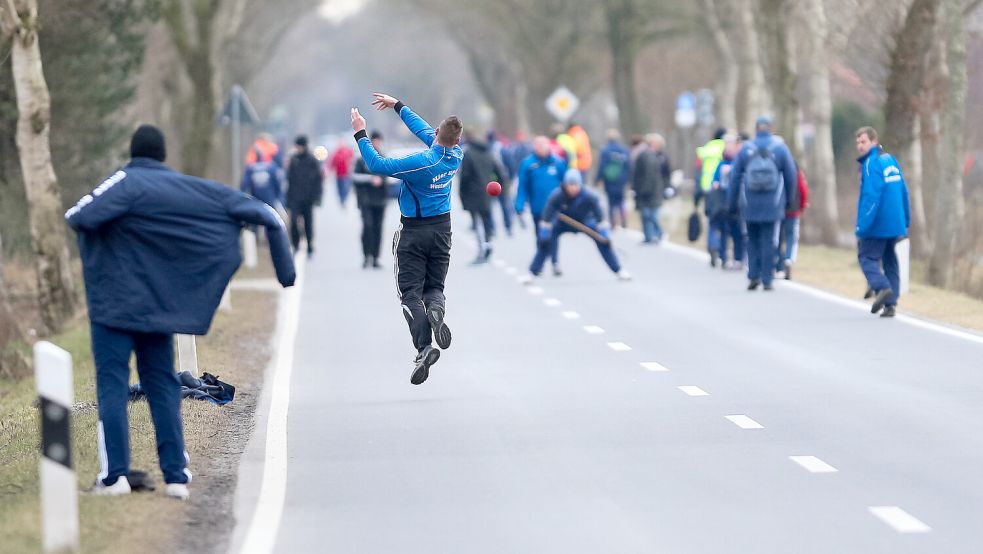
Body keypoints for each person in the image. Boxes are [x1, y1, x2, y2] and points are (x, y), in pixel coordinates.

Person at [65, 125, 295, 500]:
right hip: (159, 306)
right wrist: (286, 271)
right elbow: (263, 211)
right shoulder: (188, 187)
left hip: (114, 308)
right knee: (162, 384)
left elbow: (78, 215)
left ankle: (115, 478)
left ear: (133, 153)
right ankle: (175, 477)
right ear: (163, 155)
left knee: (112, 383)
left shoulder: (124, 181)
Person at [350, 93, 463, 385]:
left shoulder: (422, 163)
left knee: (409, 293)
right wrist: (399, 106)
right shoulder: (455, 156)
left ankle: (424, 347)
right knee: (435, 286)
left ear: (437, 134)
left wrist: (360, 133)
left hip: (414, 232)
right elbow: (425, 130)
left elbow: (377, 165)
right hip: (443, 230)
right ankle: (436, 309)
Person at [727, 116, 798, 291]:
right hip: (773, 203)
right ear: (771, 129)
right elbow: (791, 176)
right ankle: (767, 278)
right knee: (769, 240)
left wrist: (732, 203)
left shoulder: (746, 149)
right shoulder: (780, 149)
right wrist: (790, 201)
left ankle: (753, 276)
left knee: (751, 239)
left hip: (749, 202)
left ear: (756, 129)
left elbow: (734, 178)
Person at [523, 170, 631, 282]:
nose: (572, 188)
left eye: (575, 185)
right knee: (545, 241)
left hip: (585, 222)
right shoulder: (557, 195)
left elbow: (600, 216)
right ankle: (532, 272)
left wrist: (604, 232)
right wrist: (545, 231)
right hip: (563, 223)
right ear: (565, 185)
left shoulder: (589, 196)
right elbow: (547, 215)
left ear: (580, 184)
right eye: (570, 185)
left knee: (603, 241)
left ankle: (619, 270)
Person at [855, 126, 910, 318]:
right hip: (896, 223)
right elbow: (904, 191)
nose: (860, 146)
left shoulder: (871, 164)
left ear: (873, 141)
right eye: (858, 142)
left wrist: (862, 225)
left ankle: (882, 286)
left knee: (866, 258)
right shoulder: (891, 160)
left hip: (878, 223)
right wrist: (906, 219)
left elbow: (871, 197)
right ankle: (891, 304)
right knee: (889, 260)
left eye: (863, 142)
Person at [515, 135, 567, 275]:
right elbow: (523, 186)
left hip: (556, 208)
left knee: (553, 234)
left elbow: (566, 184)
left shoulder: (558, 163)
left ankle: (555, 262)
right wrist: (519, 205)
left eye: (543, 145)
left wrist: (568, 204)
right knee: (540, 236)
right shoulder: (528, 164)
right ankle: (541, 263)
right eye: (538, 146)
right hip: (537, 207)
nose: (541, 149)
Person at [459, 130, 505, 263]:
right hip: (488, 192)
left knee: (477, 223)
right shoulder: (489, 152)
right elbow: (500, 172)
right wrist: (499, 187)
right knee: (487, 220)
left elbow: (465, 176)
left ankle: (482, 249)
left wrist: (462, 194)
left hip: (473, 193)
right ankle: (488, 243)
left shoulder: (468, 153)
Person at [352, 131, 391, 269]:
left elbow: (388, 177)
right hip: (365, 199)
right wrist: (370, 179)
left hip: (380, 200)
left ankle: (375, 257)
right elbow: (354, 177)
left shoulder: (384, 158)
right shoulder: (361, 159)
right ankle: (366, 256)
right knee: (367, 227)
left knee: (378, 229)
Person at [708, 135, 745, 268]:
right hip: (728, 201)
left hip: (728, 201)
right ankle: (727, 257)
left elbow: (715, 181)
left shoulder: (728, 162)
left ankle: (730, 256)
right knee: (728, 230)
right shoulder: (730, 162)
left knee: (729, 230)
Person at [285, 135, 323, 257]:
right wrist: (288, 197)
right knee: (293, 221)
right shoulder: (293, 160)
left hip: (308, 197)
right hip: (295, 197)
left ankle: (310, 245)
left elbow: (318, 180)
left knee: (308, 223)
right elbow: (289, 179)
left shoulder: (312, 160)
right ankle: (295, 244)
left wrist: (317, 197)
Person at [631, 133, 671, 244]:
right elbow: (638, 173)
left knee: (652, 215)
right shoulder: (644, 155)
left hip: (657, 189)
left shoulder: (662, 157)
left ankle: (658, 233)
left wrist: (667, 187)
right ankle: (649, 236)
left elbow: (666, 173)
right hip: (646, 189)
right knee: (646, 214)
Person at [696, 128, 728, 257]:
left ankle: (712, 244)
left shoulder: (706, 149)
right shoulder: (726, 147)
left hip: (707, 187)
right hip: (721, 188)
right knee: (724, 220)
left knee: (711, 219)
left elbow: (698, 168)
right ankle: (722, 249)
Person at [776, 167, 810, 279]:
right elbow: (803, 189)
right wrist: (802, 206)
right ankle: (788, 259)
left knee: (778, 238)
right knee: (791, 237)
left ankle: (779, 265)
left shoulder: (777, 169)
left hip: (777, 210)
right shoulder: (796, 171)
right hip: (793, 210)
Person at [596, 129, 632, 230]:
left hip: (610, 180)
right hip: (622, 180)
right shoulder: (624, 149)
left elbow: (602, 166)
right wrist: (629, 179)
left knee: (611, 202)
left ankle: (613, 223)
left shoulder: (606, 150)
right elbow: (629, 165)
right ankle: (624, 218)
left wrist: (598, 179)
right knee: (621, 200)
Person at [241, 145, 284, 211]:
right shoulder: (271, 167)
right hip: (269, 199)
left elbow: (244, 184)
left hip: (256, 199)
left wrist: (243, 196)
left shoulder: (251, 168)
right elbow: (277, 183)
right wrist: (277, 195)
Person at [329, 142, 355, 208]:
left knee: (345, 188)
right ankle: (342, 199)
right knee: (340, 188)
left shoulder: (348, 152)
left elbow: (352, 159)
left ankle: (343, 199)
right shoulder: (336, 153)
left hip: (346, 174)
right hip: (339, 175)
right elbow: (332, 163)